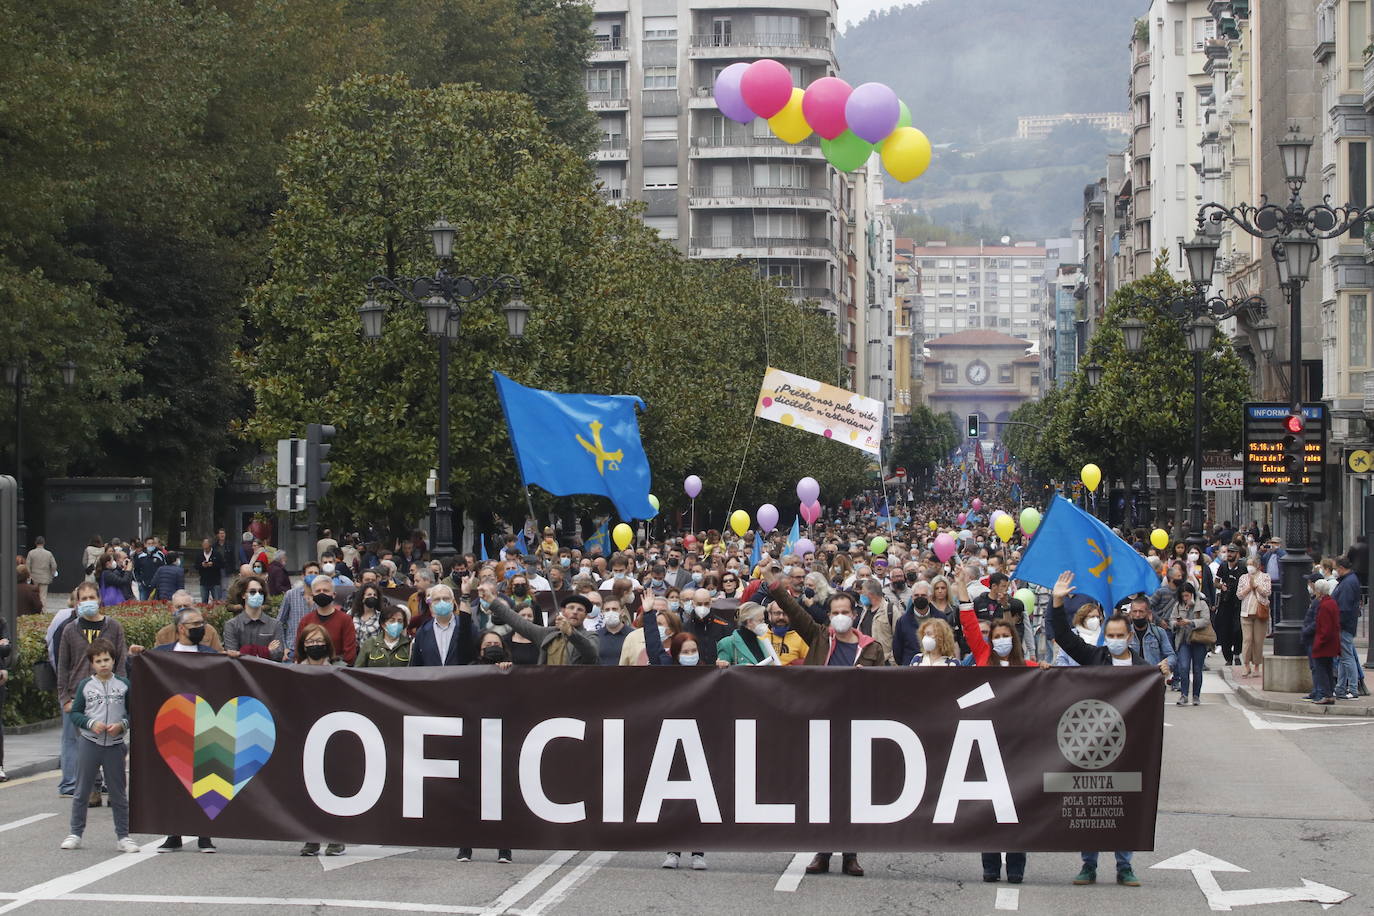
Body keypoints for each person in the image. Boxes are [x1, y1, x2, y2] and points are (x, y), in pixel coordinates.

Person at [1049, 571, 1150, 889]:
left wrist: (1163, 677)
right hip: (1093, 745)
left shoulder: (1143, 670)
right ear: (1107, 637)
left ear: (1130, 637)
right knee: (1091, 805)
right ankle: (1088, 866)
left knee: (1126, 807)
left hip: (1129, 749)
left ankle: (1125, 867)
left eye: (1122, 635)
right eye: (1112, 635)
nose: (1117, 640)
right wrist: (1057, 601)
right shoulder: (1095, 657)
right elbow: (1065, 638)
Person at [775, 587, 877, 877]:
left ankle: (850, 855)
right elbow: (793, 610)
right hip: (820, 724)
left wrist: (867, 680)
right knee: (822, 792)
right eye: (835, 613)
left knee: (851, 794)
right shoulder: (820, 637)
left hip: (855, 727)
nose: (841, 617)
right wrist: (773, 583)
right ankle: (822, 851)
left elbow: (886, 688)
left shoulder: (871, 648)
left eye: (846, 612)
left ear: (854, 615)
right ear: (829, 616)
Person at [643, 615, 711, 870]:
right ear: (676, 653)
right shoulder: (665, 668)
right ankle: (672, 851)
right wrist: (649, 615)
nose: (690, 655)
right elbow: (653, 646)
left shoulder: (708, 672)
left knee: (699, 801)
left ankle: (698, 852)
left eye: (694, 651)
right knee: (670, 798)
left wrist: (723, 667)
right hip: (670, 739)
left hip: (699, 741)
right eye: (686, 651)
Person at [59, 639, 138, 853]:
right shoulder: (85, 685)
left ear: (113, 660)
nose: (103, 664)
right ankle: (75, 833)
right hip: (89, 743)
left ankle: (123, 836)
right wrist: (90, 723)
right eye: (98, 661)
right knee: (82, 791)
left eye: (107, 659)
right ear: (91, 664)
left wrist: (122, 725)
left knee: (119, 793)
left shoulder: (124, 685)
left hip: (115, 745)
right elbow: (75, 713)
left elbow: (134, 713)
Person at [152, 607, 217, 853]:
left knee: (206, 782)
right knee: (174, 783)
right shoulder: (161, 654)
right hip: (173, 725)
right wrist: (135, 655)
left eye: (202, 622)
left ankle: (205, 836)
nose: (201, 627)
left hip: (203, 723)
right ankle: (173, 835)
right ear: (180, 628)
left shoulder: (210, 654)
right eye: (195, 623)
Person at [57, 584, 129, 806]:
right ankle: (93, 789)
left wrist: (123, 694)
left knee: (113, 742)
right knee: (86, 745)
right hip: (79, 694)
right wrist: (65, 699)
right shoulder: (70, 629)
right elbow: (63, 666)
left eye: (91, 597)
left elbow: (121, 662)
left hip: (111, 694)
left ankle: (114, 788)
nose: (87, 601)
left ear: (99, 599)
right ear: (77, 602)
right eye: (83, 598)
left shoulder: (114, 627)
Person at [485, 587, 597, 665]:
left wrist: (571, 633)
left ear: (586, 615)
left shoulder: (590, 636)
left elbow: (591, 653)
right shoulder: (548, 634)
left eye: (580, 610)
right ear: (563, 611)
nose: (575, 612)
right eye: (571, 608)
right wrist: (492, 601)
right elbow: (518, 621)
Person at [409, 584, 474, 667]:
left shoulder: (467, 627)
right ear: (431, 603)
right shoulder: (422, 632)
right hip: (432, 679)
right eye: (437, 599)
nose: (442, 602)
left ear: (453, 601)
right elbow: (416, 665)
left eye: (446, 599)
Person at [298, 575, 358, 665]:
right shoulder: (305, 620)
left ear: (334, 595)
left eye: (325, 590)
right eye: (318, 591)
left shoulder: (345, 620)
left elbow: (349, 653)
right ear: (312, 595)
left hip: (338, 670)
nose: (321, 593)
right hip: (309, 670)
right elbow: (299, 651)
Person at [222, 577, 285, 661]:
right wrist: (266, 650)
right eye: (252, 592)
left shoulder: (275, 625)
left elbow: (278, 655)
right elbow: (232, 656)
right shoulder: (232, 625)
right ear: (243, 595)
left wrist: (245, 651)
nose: (257, 594)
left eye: (260, 592)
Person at [1170, 581, 1212, 706]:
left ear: (1192, 594)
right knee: (1183, 667)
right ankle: (1183, 694)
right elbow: (1172, 619)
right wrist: (1176, 624)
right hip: (1183, 640)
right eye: (1183, 596)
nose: (1185, 598)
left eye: (1187, 595)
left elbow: (1205, 620)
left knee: (1197, 669)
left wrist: (1191, 622)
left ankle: (1196, 695)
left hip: (1198, 640)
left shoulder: (1202, 604)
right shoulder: (1178, 605)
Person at [1331, 555, 1367, 699]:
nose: (1335, 572)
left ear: (1341, 568)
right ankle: (1341, 688)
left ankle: (1352, 689)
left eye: (1336, 569)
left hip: (1344, 625)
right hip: (1345, 624)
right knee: (1344, 657)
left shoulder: (1347, 583)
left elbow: (1344, 608)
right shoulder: (1349, 581)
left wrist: (1337, 624)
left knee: (1346, 657)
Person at [1304, 578, 1342, 705]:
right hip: (1331, 643)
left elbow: (1324, 628)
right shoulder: (1332, 603)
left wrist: (1318, 643)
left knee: (1321, 670)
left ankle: (1327, 694)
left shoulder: (1324, 605)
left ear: (1319, 591)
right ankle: (1329, 693)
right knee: (1328, 669)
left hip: (1324, 644)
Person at [1236, 556, 1271, 680]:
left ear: (1257, 565)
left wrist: (1256, 586)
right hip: (1246, 613)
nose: (1249, 567)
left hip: (1260, 613)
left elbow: (1267, 592)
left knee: (1258, 641)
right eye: (1248, 564)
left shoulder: (1265, 577)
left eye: (1252, 564)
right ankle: (1246, 664)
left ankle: (1256, 665)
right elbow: (1239, 595)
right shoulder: (1243, 578)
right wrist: (1249, 587)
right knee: (1247, 640)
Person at [1213, 544, 1244, 667]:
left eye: (1232, 552)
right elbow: (1216, 582)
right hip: (1225, 602)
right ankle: (1228, 657)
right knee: (1224, 630)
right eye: (1228, 552)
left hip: (1238, 602)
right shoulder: (1223, 566)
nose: (1229, 554)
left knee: (1237, 629)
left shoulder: (1242, 567)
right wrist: (1222, 586)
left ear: (1237, 554)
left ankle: (1237, 654)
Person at [595, 597, 631, 665]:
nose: (611, 612)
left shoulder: (632, 635)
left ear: (622, 612)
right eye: (607, 610)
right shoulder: (595, 636)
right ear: (602, 613)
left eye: (614, 609)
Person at [25, 536, 58, 605]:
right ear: (44, 543)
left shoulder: (31, 553)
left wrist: (29, 576)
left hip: (34, 577)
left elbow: (27, 565)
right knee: (43, 596)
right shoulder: (48, 553)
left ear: (35, 543)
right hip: (45, 577)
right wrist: (52, 574)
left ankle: (35, 611)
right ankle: (43, 611)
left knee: (35, 595)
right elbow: (54, 565)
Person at [197, 538, 225, 602]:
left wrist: (213, 564)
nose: (206, 549)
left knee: (217, 601)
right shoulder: (199, 555)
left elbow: (222, 565)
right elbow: (196, 566)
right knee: (204, 601)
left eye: (207, 548)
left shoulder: (217, 554)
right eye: (204, 548)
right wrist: (202, 565)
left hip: (215, 581)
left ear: (210, 546)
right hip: (204, 581)